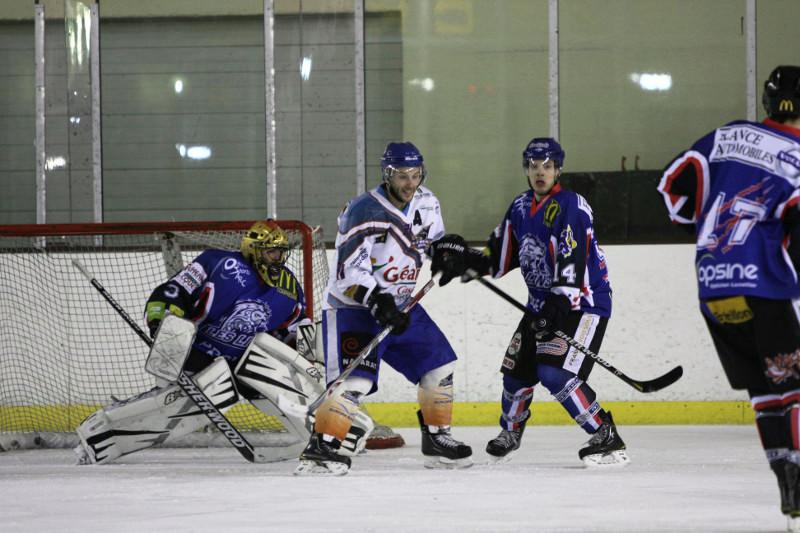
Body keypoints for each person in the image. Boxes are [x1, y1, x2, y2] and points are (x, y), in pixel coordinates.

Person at [657, 65, 800, 529]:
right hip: (766, 285)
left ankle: (785, 476)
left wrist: (705, 228)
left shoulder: (727, 136)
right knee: (794, 385)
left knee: (763, 388)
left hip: (715, 285)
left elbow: (670, 188)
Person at [430, 137, 629, 467]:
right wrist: (466, 260)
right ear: (526, 169)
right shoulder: (521, 207)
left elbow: (572, 259)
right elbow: (500, 255)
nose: (540, 173)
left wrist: (558, 306)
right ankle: (510, 432)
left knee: (553, 374)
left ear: (558, 169)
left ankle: (604, 434)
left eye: (547, 167)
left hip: (581, 305)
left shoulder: (572, 206)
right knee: (516, 374)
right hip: (541, 306)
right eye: (534, 166)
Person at [74, 220, 329, 464]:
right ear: (254, 249)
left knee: (272, 377)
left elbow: (292, 330)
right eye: (271, 252)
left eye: (280, 253)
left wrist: (310, 346)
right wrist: (160, 320)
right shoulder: (218, 262)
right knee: (205, 397)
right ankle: (104, 433)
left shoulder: (288, 287)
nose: (278, 259)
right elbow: (174, 291)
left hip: (241, 360)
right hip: (197, 351)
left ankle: (326, 433)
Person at [295, 141, 473, 476]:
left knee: (439, 365)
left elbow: (432, 243)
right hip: (354, 309)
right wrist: (377, 301)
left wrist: (447, 255)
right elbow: (347, 272)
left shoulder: (427, 201)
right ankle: (322, 449)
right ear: (387, 174)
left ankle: (436, 440)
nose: (410, 183)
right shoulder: (364, 210)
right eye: (403, 175)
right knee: (356, 383)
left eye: (416, 175)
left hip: (403, 306)